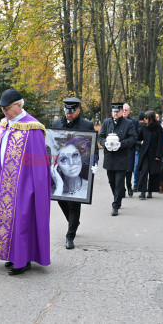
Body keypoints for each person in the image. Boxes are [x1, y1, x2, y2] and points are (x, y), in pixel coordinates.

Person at [0, 88, 50, 275]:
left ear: (19, 106)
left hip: (24, 183)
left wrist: (34, 187)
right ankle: (11, 255)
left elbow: (39, 164)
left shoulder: (33, 128)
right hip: (3, 179)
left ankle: (23, 260)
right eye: (2, 108)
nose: (4, 112)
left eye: (7, 108)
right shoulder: (5, 124)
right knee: (5, 218)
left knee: (22, 220)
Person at [52, 97, 98, 249]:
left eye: (72, 112)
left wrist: (94, 163)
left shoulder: (87, 125)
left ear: (78, 111)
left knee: (74, 203)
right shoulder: (57, 124)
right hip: (62, 167)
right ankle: (74, 222)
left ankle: (70, 236)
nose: (69, 114)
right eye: (66, 111)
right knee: (61, 199)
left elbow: (93, 147)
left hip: (80, 167)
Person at [98, 103, 136, 216]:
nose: (115, 113)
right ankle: (118, 195)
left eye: (117, 111)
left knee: (119, 182)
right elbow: (101, 136)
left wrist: (121, 144)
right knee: (112, 181)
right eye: (113, 111)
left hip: (122, 157)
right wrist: (105, 143)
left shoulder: (128, 123)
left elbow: (133, 138)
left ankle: (115, 205)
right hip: (110, 157)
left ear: (122, 112)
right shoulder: (106, 122)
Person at [135, 111, 163, 199]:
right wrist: (140, 143)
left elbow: (160, 142)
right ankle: (143, 191)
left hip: (154, 154)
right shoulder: (144, 127)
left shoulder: (158, 128)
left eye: (146, 118)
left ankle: (150, 191)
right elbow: (137, 139)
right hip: (145, 154)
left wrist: (158, 155)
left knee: (153, 173)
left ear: (150, 119)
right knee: (144, 171)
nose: (144, 120)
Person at [123, 104, 138, 197]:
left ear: (129, 111)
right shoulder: (117, 121)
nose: (124, 111)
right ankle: (122, 189)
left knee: (128, 171)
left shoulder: (134, 122)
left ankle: (129, 187)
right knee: (120, 171)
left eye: (126, 110)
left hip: (130, 150)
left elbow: (136, 136)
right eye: (123, 110)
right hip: (119, 150)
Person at [133, 111, 146, 191]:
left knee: (140, 168)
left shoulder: (146, 126)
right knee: (137, 167)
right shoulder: (136, 126)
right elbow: (134, 139)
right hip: (138, 149)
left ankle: (139, 184)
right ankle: (136, 183)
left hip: (143, 149)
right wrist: (140, 142)